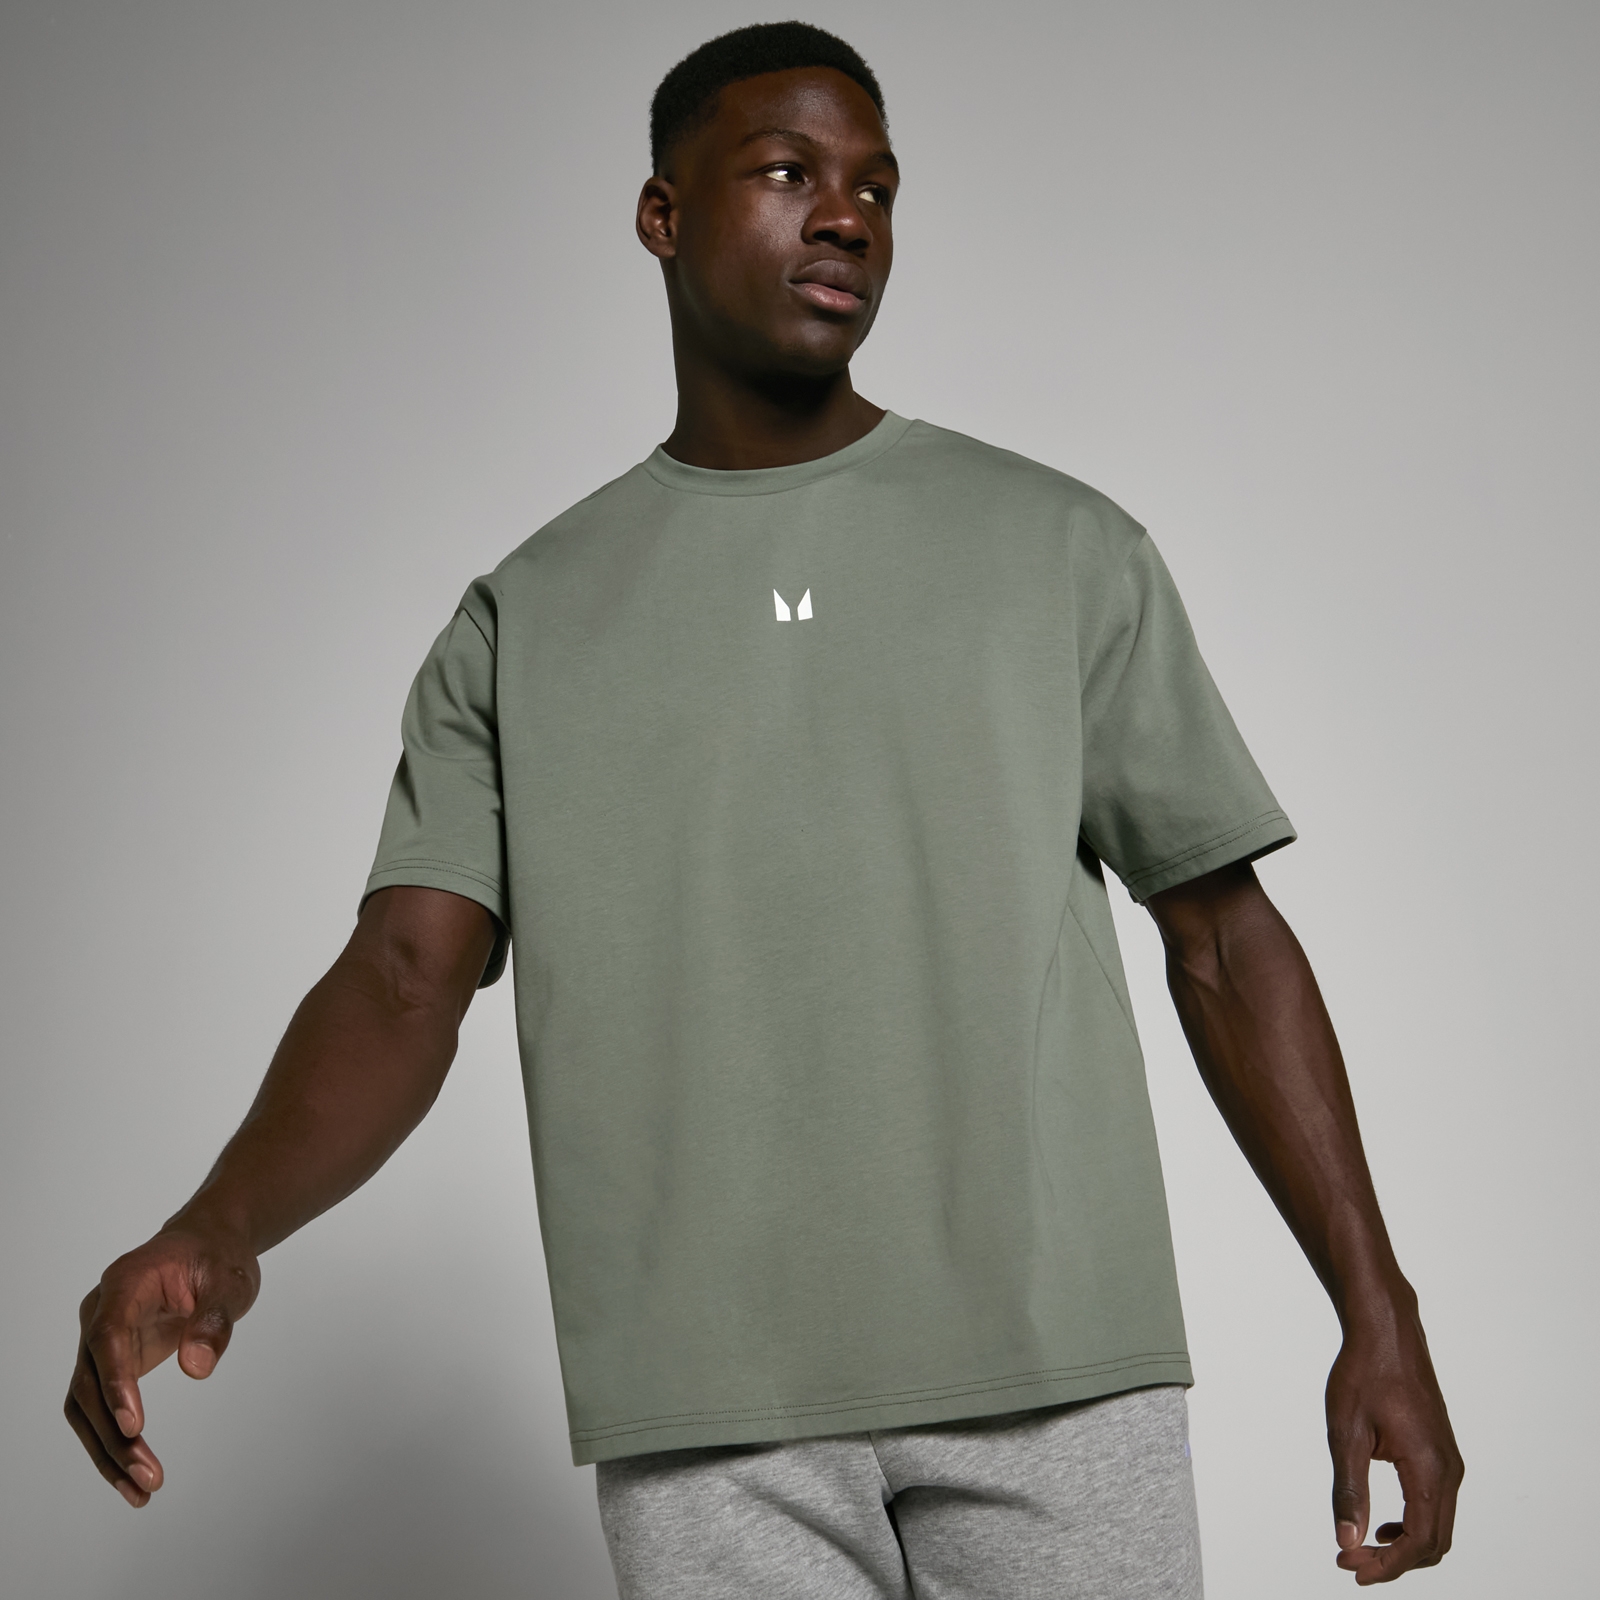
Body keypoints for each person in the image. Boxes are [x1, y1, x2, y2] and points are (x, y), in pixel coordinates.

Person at [64, 20, 1462, 1596]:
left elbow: (1221, 939)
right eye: (788, 172)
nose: (846, 216)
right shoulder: (528, 620)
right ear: (661, 215)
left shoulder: (1060, 549)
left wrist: (1378, 1309)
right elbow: (403, 979)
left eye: (875, 187)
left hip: (1058, 1377)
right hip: (711, 1421)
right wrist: (221, 1224)